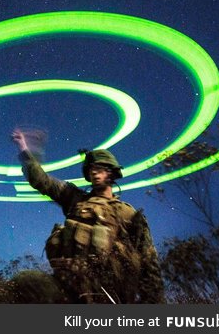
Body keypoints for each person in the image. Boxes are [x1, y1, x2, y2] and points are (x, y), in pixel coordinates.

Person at [11, 128, 165, 303]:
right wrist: (24, 147)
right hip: (68, 285)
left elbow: (149, 263)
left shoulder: (127, 213)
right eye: (91, 169)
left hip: (108, 292)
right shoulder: (75, 198)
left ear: (111, 172)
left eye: (99, 169)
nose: (94, 172)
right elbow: (41, 180)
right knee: (25, 282)